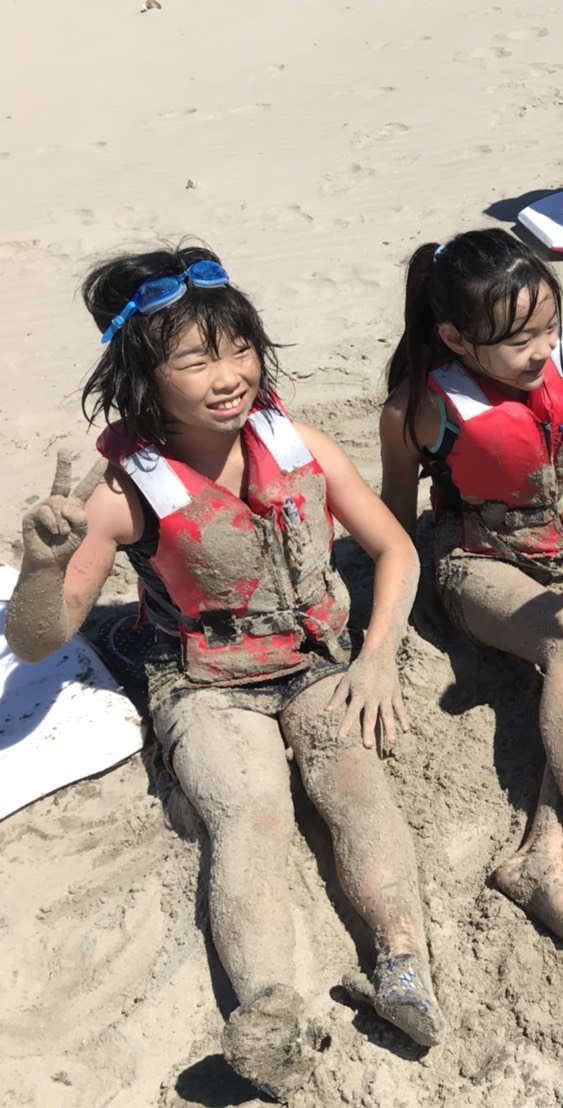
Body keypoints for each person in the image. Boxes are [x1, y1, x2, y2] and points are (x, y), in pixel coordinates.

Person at [4, 246, 443, 1099]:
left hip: (315, 660)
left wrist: (379, 656)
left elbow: (396, 549)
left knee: (355, 787)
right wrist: (45, 566)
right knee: (250, 815)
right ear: (143, 377)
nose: (230, 375)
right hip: (205, 687)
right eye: (195, 360)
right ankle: (269, 1013)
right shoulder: (122, 495)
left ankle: (404, 969)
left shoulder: (300, 444)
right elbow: (37, 640)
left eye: (240, 348)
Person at [379, 229, 563, 950]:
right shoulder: (419, 407)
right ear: (455, 339)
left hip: (560, 552)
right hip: (472, 560)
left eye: (550, 327)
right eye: (521, 341)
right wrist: (398, 619)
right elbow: (395, 521)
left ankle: (540, 853)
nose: (544, 349)